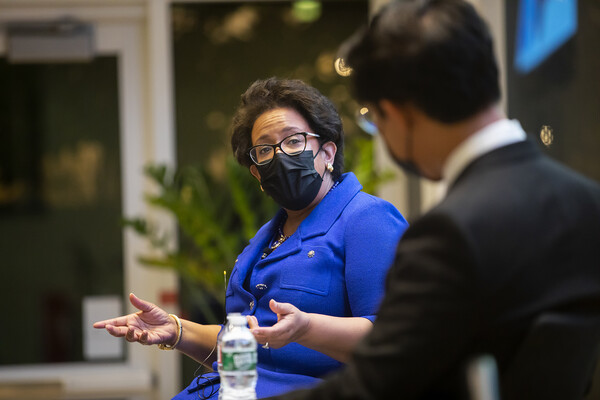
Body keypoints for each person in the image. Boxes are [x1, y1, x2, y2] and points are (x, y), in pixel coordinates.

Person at [263, 1, 600, 399]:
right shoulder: (587, 203)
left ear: (399, 113)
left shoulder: (448, 234)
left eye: (376, 120)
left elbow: (376, 387)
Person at [94, 77, 408, 399]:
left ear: (327, 151)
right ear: (257, 173)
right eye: (264, 149)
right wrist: (176, 330)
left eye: (293, 141)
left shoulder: (367, 219)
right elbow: (246, 343)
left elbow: (394, 340)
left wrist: (307, 327)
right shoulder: (266, 237)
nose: (280, 156)